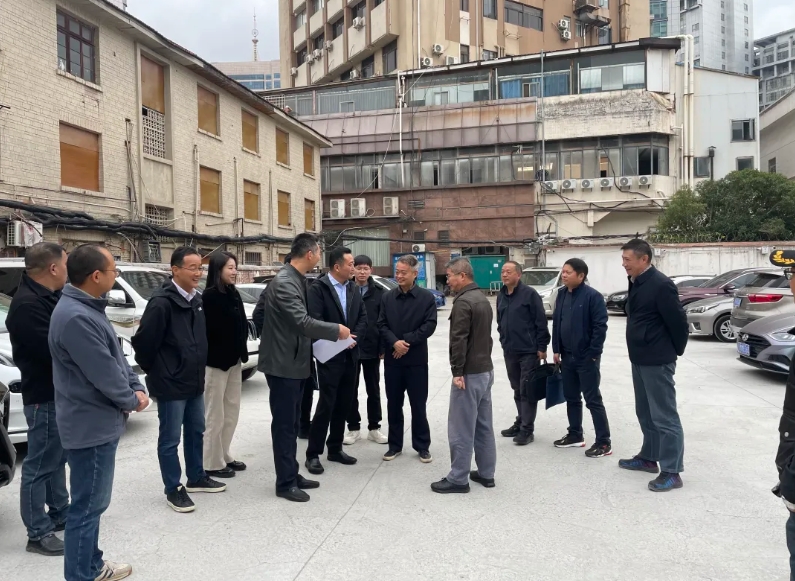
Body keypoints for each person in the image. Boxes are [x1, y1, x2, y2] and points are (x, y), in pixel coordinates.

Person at [49, 244, 148, 581]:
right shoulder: (76, 316)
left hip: (96, 422)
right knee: (87, 507)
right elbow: (103, 372)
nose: (115, 275)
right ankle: (82, 574)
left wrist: (135, 384)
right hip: (89, 426)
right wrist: (132, 399)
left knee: (91, 505)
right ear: (95, 276)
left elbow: (116, 357)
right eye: (113, 270)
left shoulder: (87, 307)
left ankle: (92, 565)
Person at [132, 247, 226, 514]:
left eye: (200, 268)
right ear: (175, 270)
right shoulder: (161, 303)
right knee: (170, 438)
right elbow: (143, 344)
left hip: (194, 380)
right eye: (192, 268)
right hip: (171, 383)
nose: (198, 273)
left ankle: (196, 476)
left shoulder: (196, 299)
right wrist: (162, 371)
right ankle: (173, 488)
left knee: (196, 430)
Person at [257, 233, 348, 502]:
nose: (320, 256)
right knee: (285, 426)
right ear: (309, 254)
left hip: (294, 361)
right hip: (283, 364)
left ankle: (292, 473)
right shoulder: (285, 282)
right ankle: (285, 483)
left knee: (293, 423)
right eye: (318, 252)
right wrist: (336, 330)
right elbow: (302, 322)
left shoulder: (296, 279)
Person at [7, 242, 69, 556]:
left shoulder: (49, 296)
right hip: (44, 395)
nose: (69, 271)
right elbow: (55, 350)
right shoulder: (28, 305)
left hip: (59, 393)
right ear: (53, 268)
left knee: (56, 459)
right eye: (66, 265)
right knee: (40, 464)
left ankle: (60, 512)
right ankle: (38, 532)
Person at [618, 239, 688, 492]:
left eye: (627, 259)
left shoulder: (661, 284)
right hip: (639, 357)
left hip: (657, 359)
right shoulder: (637, 280)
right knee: (645, 412)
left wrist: (673, 351)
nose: (623, 264)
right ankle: (649, 457)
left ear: (644, 259)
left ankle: (672, 471)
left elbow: (678, 322)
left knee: (664, 416)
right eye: (623, 259)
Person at [431, 258, 496, 494]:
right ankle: (487, 473)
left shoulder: (463, 302)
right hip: (485, 370)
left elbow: (458, 340)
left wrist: (457, 371)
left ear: (462, 276)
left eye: (449, 276)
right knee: (483, 425)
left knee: (461, 427)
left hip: (469, 373)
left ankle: (458, 479)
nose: (447, 280)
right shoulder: (482, 299)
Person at [304, 247, 367, 475]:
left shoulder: (353, 288)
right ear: (337, 266)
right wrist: (340, 338)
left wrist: (352, 338)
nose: (354, 268)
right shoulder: (318, 288)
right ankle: (313, 453)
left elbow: (363, 317)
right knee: (327, 404)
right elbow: (315, 320)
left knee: (344, 402)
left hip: (351, 353)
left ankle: (335, 448)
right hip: (329, 355)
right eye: (350, 264)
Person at [377, 254, 437, 463]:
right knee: (394, 404)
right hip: (393, 361)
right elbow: (381, 324)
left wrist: (406, 342)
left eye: (403, 272)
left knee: (418, 405)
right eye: (397, 272)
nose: (399, 276)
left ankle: (422, 446)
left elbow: (429, 325)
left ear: (415, 274)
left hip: (416, 361)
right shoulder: (387, 297)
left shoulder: (426, 298)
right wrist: (395, 343)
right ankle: (394, 445)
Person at [551, 258, 611, 458]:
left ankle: (604, 442)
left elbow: (600, 327)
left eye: (568, 272)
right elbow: (557, 322)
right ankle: (575, 434)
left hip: (586, 358)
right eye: (563, 272)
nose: (564, 275)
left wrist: (593, 354)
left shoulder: (593, 297)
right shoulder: (561, 294)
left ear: (581, 275)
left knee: (593, 400)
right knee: (571, 397)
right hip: (567, 357)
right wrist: (556, 348)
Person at [253, 254, 317, 440]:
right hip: (285, 355)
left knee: (305, 393)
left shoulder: (303, 283)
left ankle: (303, 425)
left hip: (302, 352)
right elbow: (259, 315)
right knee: (286, 410)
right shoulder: (281, 285)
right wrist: (276, 337)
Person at [201, 251, 249, 479]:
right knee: (215, 414)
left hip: (235, 360)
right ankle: (211, 462)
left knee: (231, 411)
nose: (234, 271)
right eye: (230, 267)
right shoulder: (209, 296)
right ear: (218, 270)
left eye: (235, 267)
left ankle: (224, 453)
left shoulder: (233, 293)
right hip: (216, 364)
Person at [496, 261, 550, 445]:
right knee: (517, 388)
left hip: (529, 351)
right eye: (503, 271)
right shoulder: (501, 295)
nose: (504, 275)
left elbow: (541, 322)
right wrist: (503, 340)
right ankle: (520, 422)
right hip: (510, 350)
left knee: (527, 390)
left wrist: (542, 347)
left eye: (508, 272)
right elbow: (500, 321)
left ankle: (527, 430)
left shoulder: (530, 294)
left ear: (518, 275)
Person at [343, 254, 388, 446]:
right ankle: (353, 428)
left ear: (371, 270)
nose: (362, 272)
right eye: (358, 268)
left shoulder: (380, 292)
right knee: (350, 390)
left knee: (373, 389)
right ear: (353, 269)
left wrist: (383, 346)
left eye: (365, 268)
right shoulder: (346, 289)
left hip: (372, 348)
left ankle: (374, 428)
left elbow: (384, 321)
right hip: (350, 347)